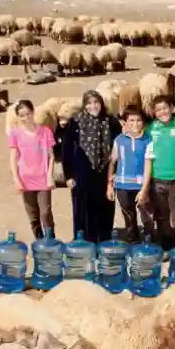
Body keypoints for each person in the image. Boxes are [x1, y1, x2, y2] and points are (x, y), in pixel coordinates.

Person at [61, 90, 122, 244]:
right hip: (82, 173)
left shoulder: (110, 121)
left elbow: (118, 148)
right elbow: (66, 149)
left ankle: (103, 241)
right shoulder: (76, 122)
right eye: (89, 103)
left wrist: (115, 174)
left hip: (104, 171)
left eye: (96, 102)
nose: (93, 106)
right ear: (84, 105)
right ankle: (83, 243)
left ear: (101, 103)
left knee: (104, 207)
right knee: (83, 209)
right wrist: (68, 175)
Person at [146, 94, 175, 251]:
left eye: (165, 108)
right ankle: (166, 247)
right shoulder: (150, 129)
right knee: (161, 216)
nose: (162, 112)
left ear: (172, 108)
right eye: (158, 110)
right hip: (156, 179)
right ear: (154, 112)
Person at [8, 99, 56, 239]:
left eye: (28, 113)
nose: (26, 118)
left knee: (45, 213)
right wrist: (16, 179)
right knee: (33, 217)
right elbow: (13, 157)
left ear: (33, 112)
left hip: (42, 178)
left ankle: (50, 241)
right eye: (22, 115)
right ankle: (39, 244)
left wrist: (49, 176)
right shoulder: (15, 133)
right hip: (25, 179)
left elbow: (51, 156)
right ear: (18, 116)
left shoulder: (45, 131)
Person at [107, 108, 153, 243]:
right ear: (125, 123)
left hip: (140, 186)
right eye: (131, 120)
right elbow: (112, 163)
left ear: (143, 123)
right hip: (122, 186)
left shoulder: (148, 140)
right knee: (128, 216)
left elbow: (148, 164)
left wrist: (145, 189)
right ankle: (132, 241)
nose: (135, 123)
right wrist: (109, 185)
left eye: (139, 120)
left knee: (146, 214)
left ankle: (150, 239)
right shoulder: (119, 140)